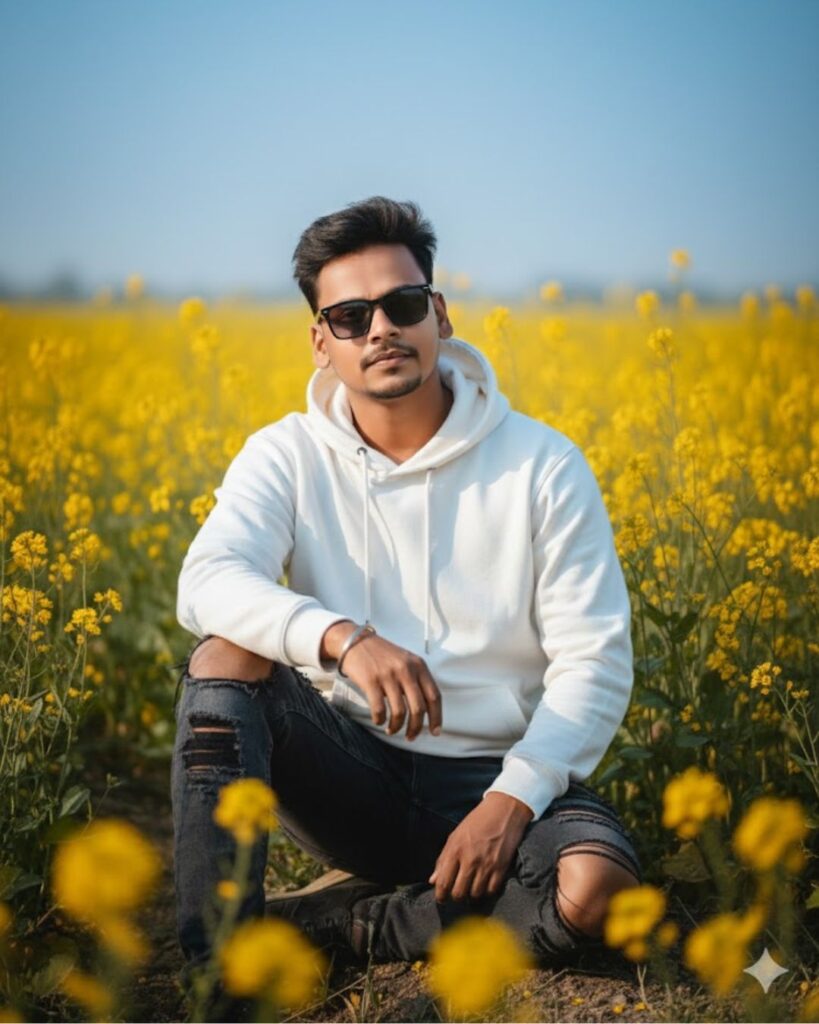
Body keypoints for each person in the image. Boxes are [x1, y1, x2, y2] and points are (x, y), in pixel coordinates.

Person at [171, 196, 643, 982]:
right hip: (349, 771)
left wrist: (512, 800)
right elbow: (206, 579)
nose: (380, 330)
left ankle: (355, 924)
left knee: (597, 891)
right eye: (350, 317)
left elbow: (594, 661)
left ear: (440, 314)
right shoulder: (285, 454)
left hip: (498, 775)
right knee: (226, 656)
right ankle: (217, 965)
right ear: (321, 344)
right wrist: (341, 639)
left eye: (402, 304)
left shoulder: (542, 465)